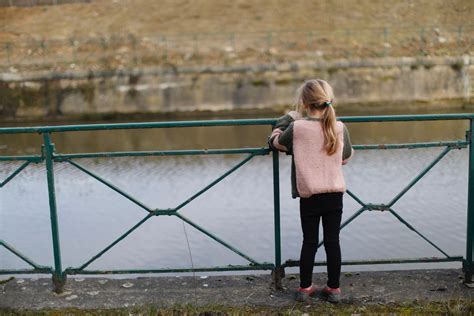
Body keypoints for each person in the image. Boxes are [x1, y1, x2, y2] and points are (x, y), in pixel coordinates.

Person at [268, 79, 354, 303]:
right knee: (332, 241)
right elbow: (345, 158)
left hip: (309, 195)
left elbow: (275, 142)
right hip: (334, 194)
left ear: (304, 103)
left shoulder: (297, 127)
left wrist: (287, 118)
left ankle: (305, 287)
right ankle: (334, 289)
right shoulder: (339, 126)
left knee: (309, 241)